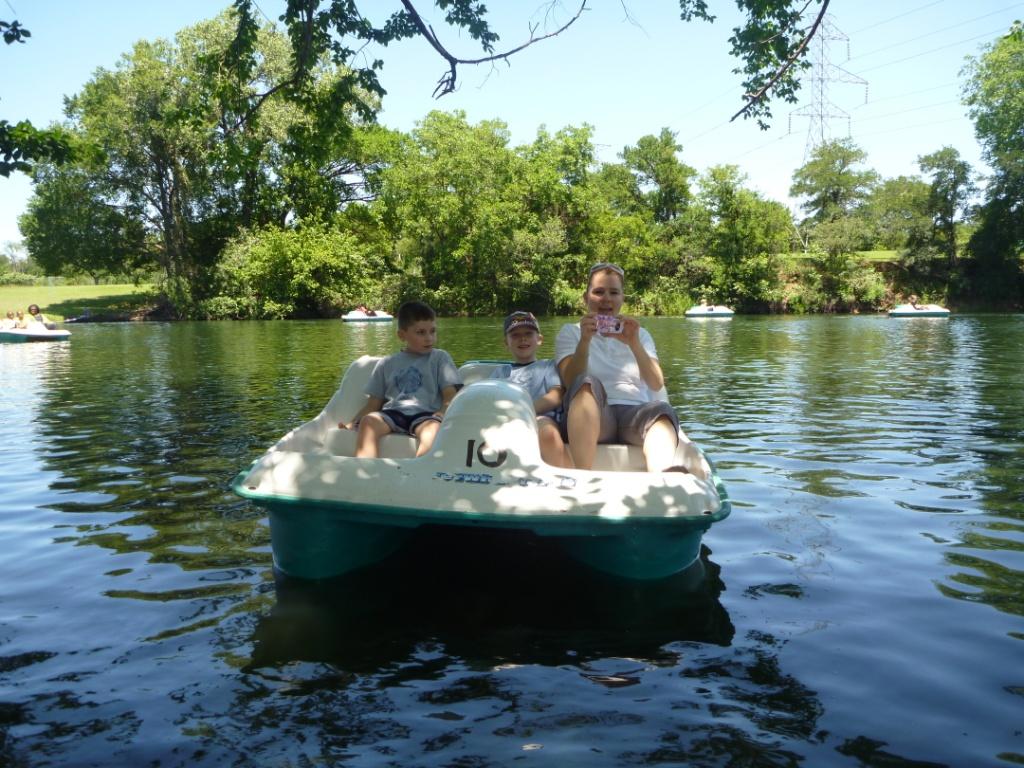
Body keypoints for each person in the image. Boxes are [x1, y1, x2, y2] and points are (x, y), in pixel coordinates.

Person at [555, 262, 685, 473]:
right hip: (594, 415)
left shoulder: (640, 335)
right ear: (586, 297)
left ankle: (662, 479)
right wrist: (585, 341)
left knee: (662, 411)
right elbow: (570, 381)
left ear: (622, 298)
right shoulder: (571, 332)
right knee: (585, 382)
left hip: (633, 416)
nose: (606, 298)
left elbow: (656, 383)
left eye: (614, 292)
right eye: (599, 292)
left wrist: (634, 343)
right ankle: (583, 476)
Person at [341, 300, 460, 458]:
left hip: (426, 415)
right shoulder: (386, 363)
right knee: (368, 422)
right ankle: (366, 468)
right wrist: (353, 423)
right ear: (402, 335)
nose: (429, 338)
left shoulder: (440, 358)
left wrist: (442, 413)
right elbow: (373, 404)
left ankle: (420, 468)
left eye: (432, 331)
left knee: (432, 429)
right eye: (421, 332)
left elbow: (450, 395)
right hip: (393, 414)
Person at [489, 311, 573, 469]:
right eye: (515, 335)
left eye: (528, 333)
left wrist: (523, 412)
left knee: (548, 434)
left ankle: (567, 476)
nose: (523, 339)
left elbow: (556, 396)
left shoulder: (548, 366)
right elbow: (489, 400)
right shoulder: (500, 372)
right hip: (507, 420)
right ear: (506, 343)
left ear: (539, 339)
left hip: (541, 418)